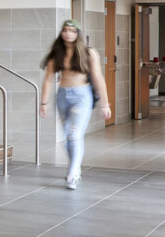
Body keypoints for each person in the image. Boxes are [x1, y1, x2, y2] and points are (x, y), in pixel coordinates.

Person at [39, 19, 111, 190]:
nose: (68, 33)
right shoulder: (57, 52)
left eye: (72, 30)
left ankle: (72, 174)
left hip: (82, 96)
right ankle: (76, 166)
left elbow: (98, 78)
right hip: (63, 95)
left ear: (78, 33)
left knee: (74, 134)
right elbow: (48, 79)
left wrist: (105, 104)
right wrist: (43, 102)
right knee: (66, 137)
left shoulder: (88, 53)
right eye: (65, 30)